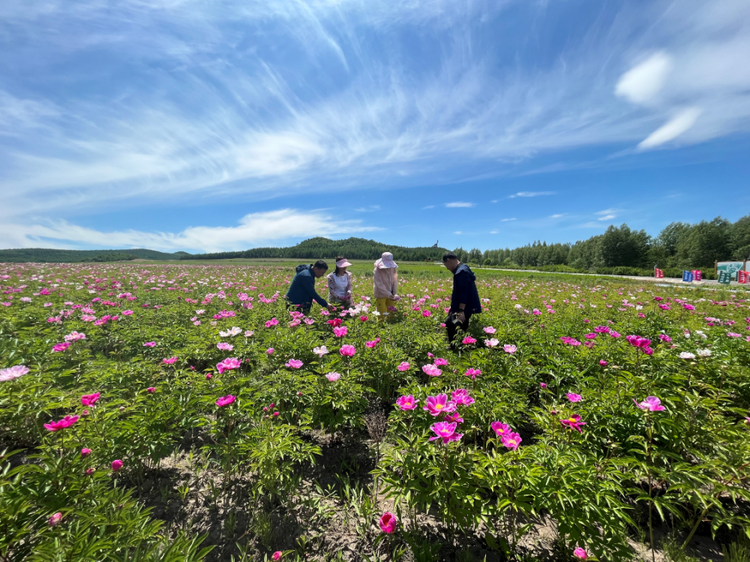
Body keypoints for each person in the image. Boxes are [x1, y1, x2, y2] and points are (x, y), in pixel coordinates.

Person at [442, 251, 481, 348]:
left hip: (465, 307)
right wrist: (453, 307)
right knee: (451, 324)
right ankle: (456, 346)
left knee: (455, 326)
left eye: (446, 265)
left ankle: (459, 348)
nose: (447, 268)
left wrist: (461, 311)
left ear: (449, 261)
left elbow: (464, 293)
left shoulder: (461, 272)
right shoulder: (464, 268)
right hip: (464, 306)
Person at [373, 252, 400, 321]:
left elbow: (395, 279)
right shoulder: (377, 270)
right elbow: (379, 284)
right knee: (382, 313)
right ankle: (381, 325)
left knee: (390, 311)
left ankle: (389, 324)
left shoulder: (393, 268)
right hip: (381, 293)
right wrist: (387, 294)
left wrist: (394, 291)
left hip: (391, 292)